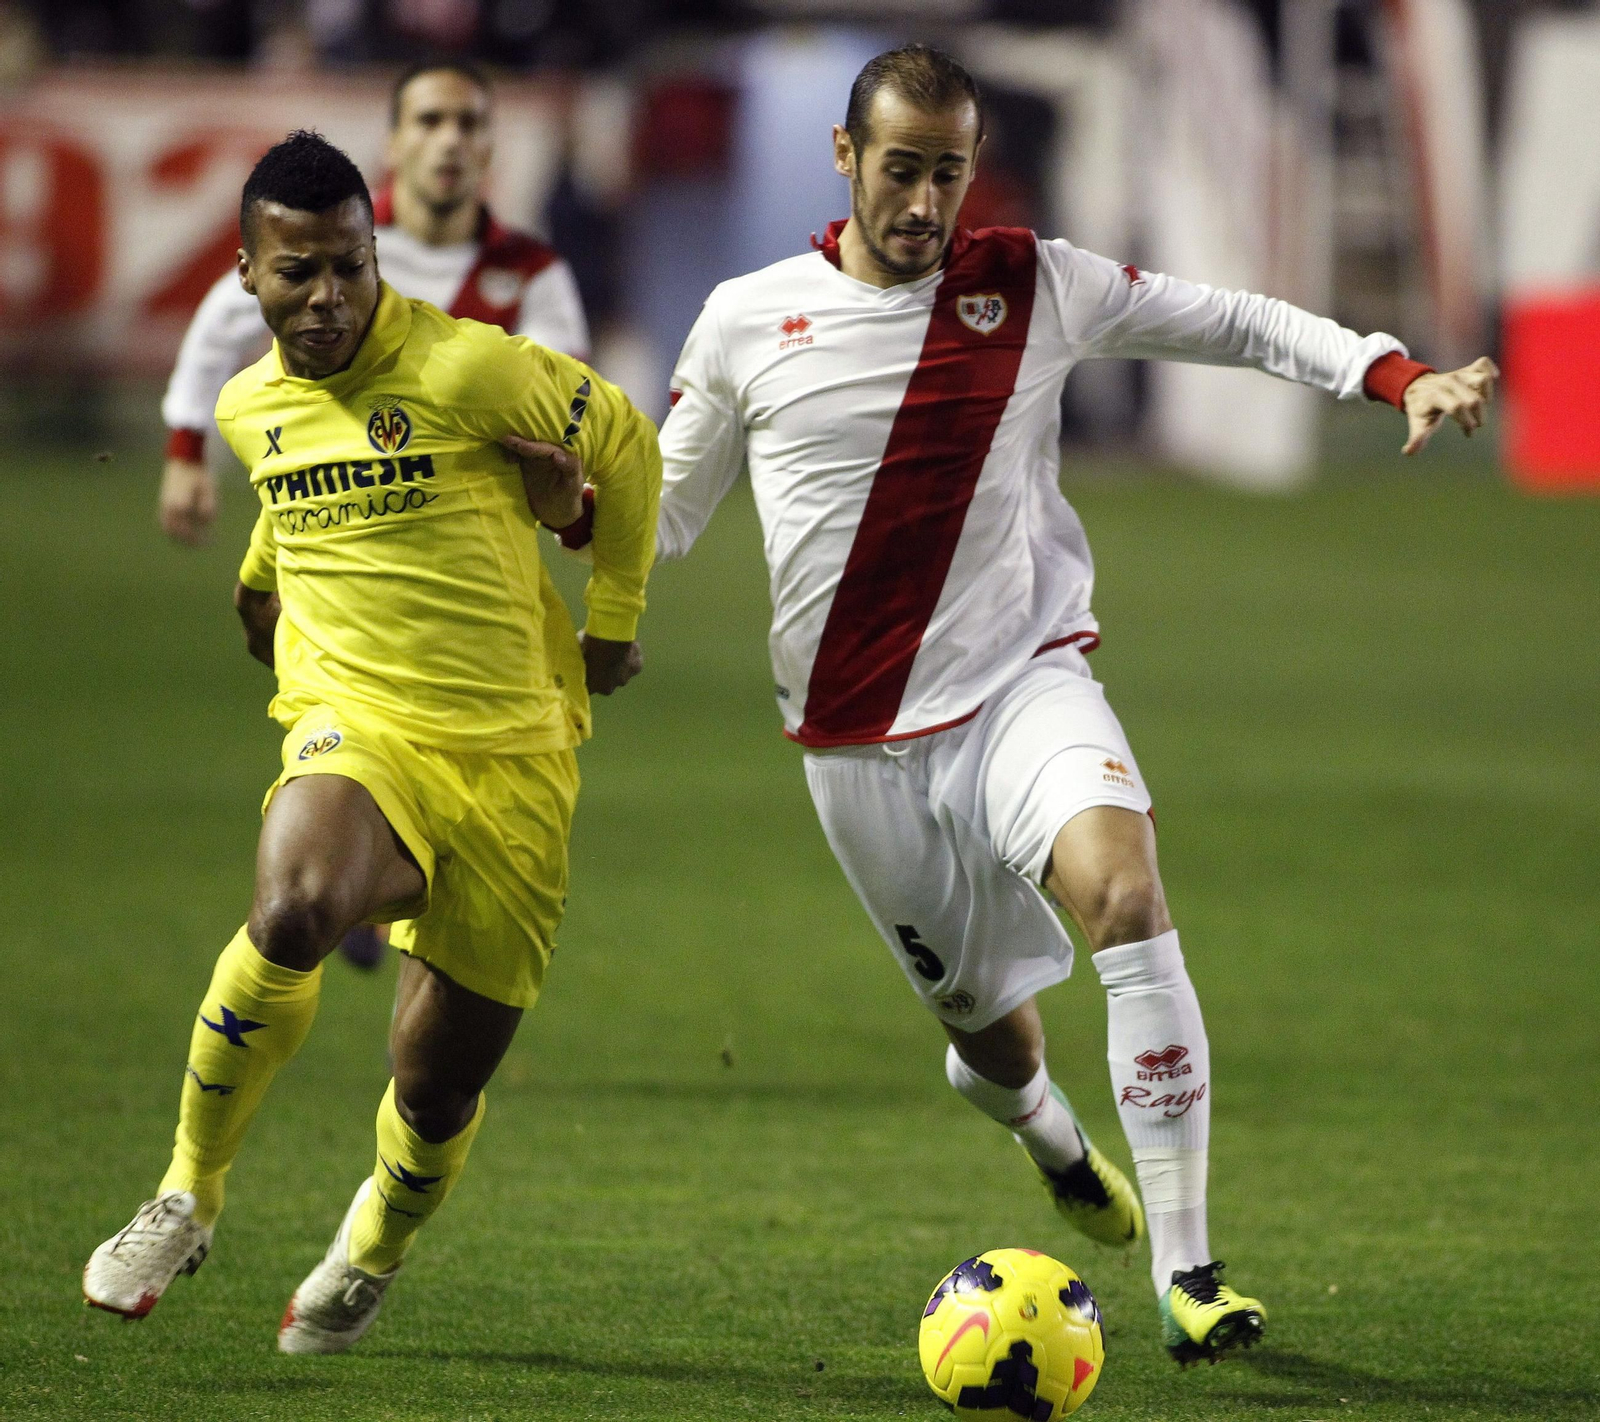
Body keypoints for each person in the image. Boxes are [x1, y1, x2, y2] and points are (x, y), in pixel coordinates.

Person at [643, 45, 1495, 1367]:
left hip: (1020, 687)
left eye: (948, 171)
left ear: (972, 166)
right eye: (900, 169)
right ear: (843, 157)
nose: (925, 202)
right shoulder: (747, 318)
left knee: (1125, 894)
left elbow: (1231, 319)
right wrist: (564, 520)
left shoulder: (1031, 285)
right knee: (989, 1037)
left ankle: (1187, 1269)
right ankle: (1045, 1129)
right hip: (856, 749)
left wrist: (1392, 375)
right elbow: (662, 514)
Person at [83, 131, 659, 1354]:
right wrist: (254, 585)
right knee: (295, 903)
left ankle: (374, 1247)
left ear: (374, 252)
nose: (331, 296)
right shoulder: (248, 407)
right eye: (299, 273)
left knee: (435, 1080)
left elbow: (628, 443)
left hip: (513, 754)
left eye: (350, 265)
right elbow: (292, 515)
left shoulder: (467, 370)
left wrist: (613, 622)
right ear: (246, 273)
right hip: (360, 723)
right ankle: (186, 1192)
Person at [160, 59, 590, 971]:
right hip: (336, 533)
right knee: (329, 684)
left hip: (467, 561)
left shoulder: (529, 274)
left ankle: (382, 875)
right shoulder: (328, 245)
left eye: (470, 124)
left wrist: (569, 504)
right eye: (430, 120)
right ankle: (351, 851)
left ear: (490, 147)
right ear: (394, 142)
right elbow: (216, 327)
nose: (451, 141)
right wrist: (185, 454)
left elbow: (570, 416)